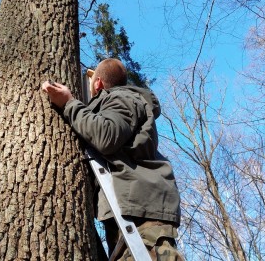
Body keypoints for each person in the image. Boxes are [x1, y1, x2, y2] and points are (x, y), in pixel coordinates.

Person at [42, 58, 183, 260]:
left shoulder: (122, 98)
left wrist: (69, 104)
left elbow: (106, 135)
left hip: (140, 211)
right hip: (131, 207)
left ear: (98, 83)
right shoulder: (120, 101)